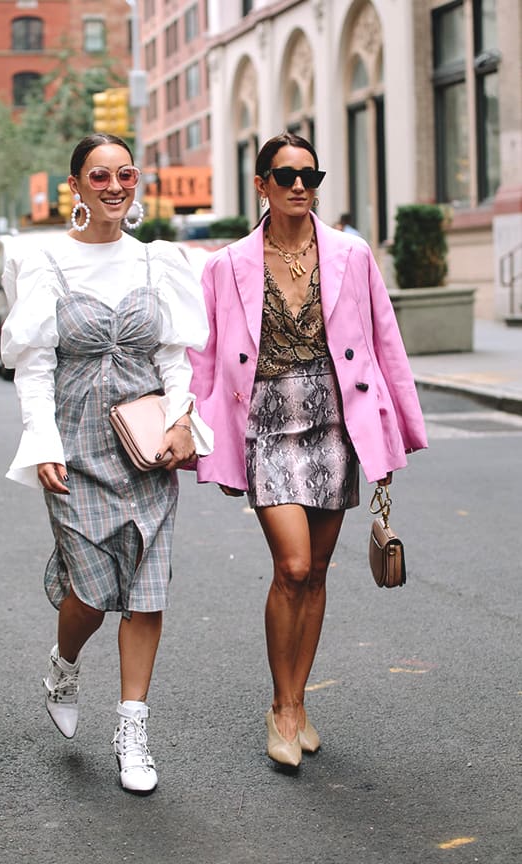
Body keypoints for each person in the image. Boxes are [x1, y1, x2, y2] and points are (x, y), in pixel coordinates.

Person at [188, 132, 427, 769]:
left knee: (318, 572)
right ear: (261, 184)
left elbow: (385, 339)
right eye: (285, 175)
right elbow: (205, 359)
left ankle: (295, 703)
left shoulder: (351, 253)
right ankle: (282, 706)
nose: (300, 185)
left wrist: (400, 423)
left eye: (310, 175)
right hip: (265, 424)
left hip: (335, 422)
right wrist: (196, 431)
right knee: (292, 566)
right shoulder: (225, 265)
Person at [0, 133, 213, 794]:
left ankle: (132, 728)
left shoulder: (159, 260)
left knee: (147, 587)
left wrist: (182, 420)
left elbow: (176, 354)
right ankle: (65, 664)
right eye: (100, 176)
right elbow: (33, 368)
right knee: (91, 590)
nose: (115, 186)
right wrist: (41, 444)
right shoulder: (43, 261)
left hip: (146, 443)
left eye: (126, 174)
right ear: (77, 186)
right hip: (75, 444)